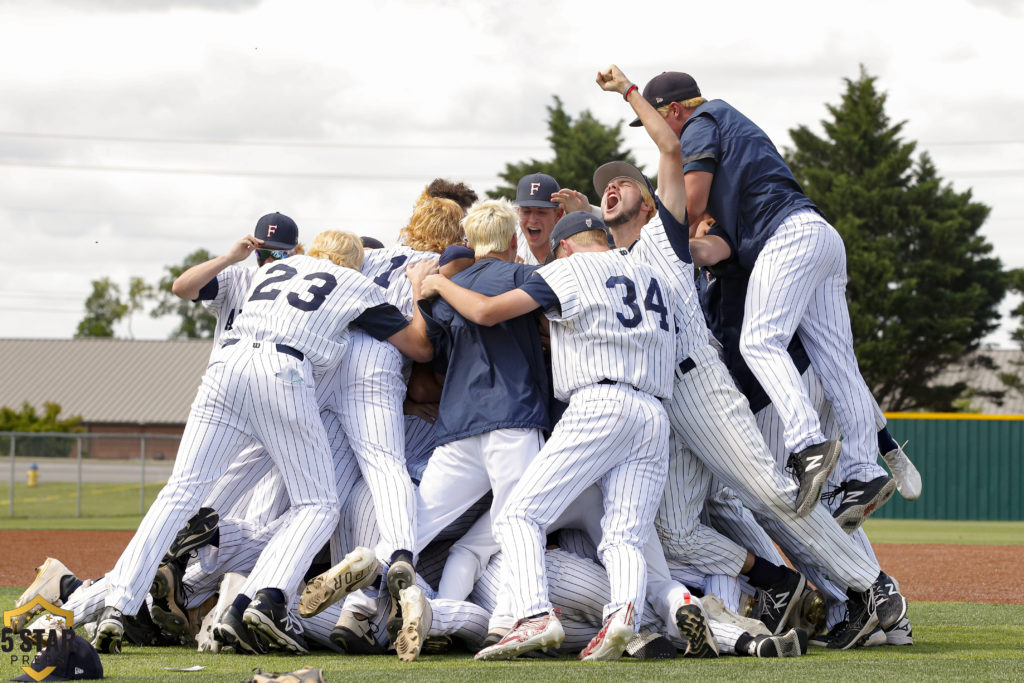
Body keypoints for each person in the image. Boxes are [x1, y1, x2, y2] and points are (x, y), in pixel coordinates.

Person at [595, 64, 908, 649]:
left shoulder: (666, 230)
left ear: (649, 196)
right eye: (601, 188)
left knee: (771, 493)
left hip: (699, 384)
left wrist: (629, 92)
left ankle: (873, 587)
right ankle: (783, 584)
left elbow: (670, 147)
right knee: (679, 529)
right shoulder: (614, 262)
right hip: (660, 404)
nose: (612, 188)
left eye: (624, 182)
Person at [91, 228, 432, 655]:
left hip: (225, 365)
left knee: (180, 491)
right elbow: (418, 347)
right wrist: (418, 290)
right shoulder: (355, 281)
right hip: (282, 369)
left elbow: (185, 287)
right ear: (355, 261)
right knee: (319, 505)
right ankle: (264, 599)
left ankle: (115, 605)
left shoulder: (275, 269)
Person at [422, 211, 679, 661]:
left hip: (599, 403)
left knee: (519, 515)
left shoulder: (568, 267)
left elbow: (485, 312)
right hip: (654, 412)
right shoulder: (650, 273)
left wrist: (440, 285)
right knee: (624, 535)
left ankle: (535, 615)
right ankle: (623, 618)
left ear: (563, 246)